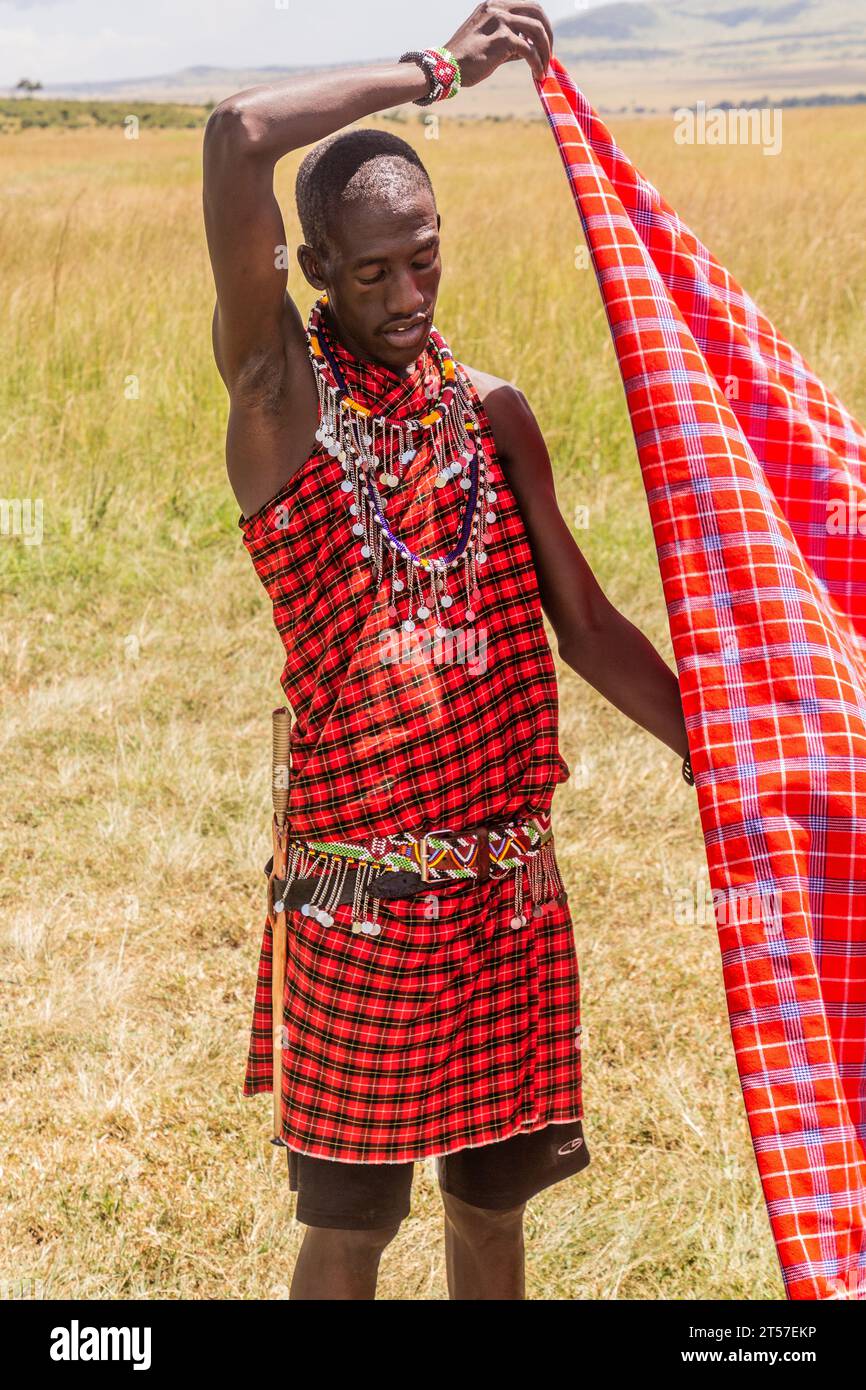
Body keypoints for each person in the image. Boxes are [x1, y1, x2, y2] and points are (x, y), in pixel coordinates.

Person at [202, 1, 691, 1301]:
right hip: (360, 904)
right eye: (371, 273)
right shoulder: (279, 402)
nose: (407, 294)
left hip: (504, 900)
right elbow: (238, 134)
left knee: (490, 1217)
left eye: (424, 260)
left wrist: (728, 744)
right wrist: (439, 71)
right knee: (351, 1231)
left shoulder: (494, 417)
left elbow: (583, 623)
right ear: (311, 270)